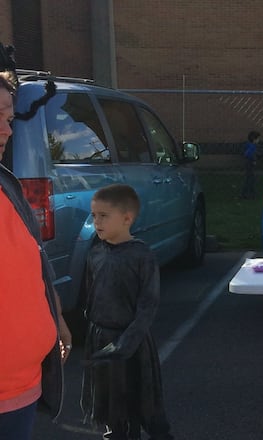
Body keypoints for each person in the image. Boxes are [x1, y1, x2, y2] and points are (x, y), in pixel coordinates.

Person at [0, 68, 70, 439]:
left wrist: (55, 314)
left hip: (23, 391)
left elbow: (33, 264)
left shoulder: (7, 184)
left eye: (9, 118)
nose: (8, 130)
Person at [80, 184, 174, 439]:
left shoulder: (141, 256)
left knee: (141, 406)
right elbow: (92, 295)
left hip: (132, 347)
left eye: (103, 215)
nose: (96, 222)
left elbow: (148, 305)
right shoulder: (95, 253)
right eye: (94, 215)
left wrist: (125, 345)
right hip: (102, 340)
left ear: (127, 218)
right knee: (112, 408)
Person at [240, 130, 260, 199]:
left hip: (248, 163)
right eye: (257, 139)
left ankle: (246, 193)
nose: (258, 141)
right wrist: (253, 160)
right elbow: (248, 154)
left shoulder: (248, 145)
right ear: (254, 139)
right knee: (250, 179)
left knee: (249, 178)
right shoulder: (252, 146)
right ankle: (249, 194)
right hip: (249, 163)